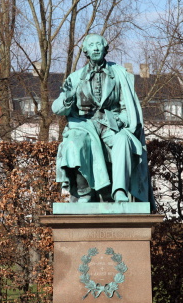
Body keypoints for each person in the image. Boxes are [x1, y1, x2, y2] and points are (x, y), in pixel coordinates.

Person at [52, 33, 155, 207]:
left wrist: (121, 121)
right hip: (84, 125)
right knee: (73, 143)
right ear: (85, 51)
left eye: (99, 45)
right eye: (92, 45)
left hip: (110, 125)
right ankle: (84, 193)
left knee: (123, 139)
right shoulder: (75, 78)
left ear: (105, 48)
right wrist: (68, 97)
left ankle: (119, 190)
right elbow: (57, 108)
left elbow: (126, 108)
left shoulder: (119, 75)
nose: (96, 48)